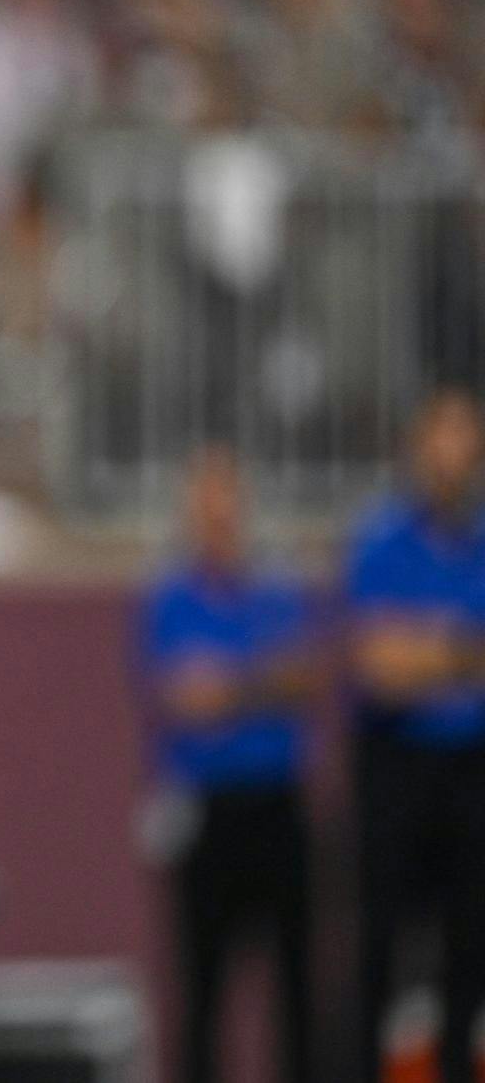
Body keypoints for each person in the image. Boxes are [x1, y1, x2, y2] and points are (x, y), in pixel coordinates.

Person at [138, 447, 316, 1083]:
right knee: (201, 988)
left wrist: (234, 685)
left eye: (227, 504)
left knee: (298, 984)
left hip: (279, 805)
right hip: (206, 813)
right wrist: (262, 681)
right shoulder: (169, 597)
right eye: (204, 506)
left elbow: (301, 674)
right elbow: (186, 697)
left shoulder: (279, 586)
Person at [344, 390, 485, 1083]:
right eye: (441, 434)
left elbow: (410, 654)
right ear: (417, 445)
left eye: (466, 435)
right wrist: (463, 651)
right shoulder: (381, 539)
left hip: (472, 768)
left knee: (471, 943)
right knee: (382, 943)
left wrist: (426, 646)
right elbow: (380, 666)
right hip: (397, 765)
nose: (452, 451)